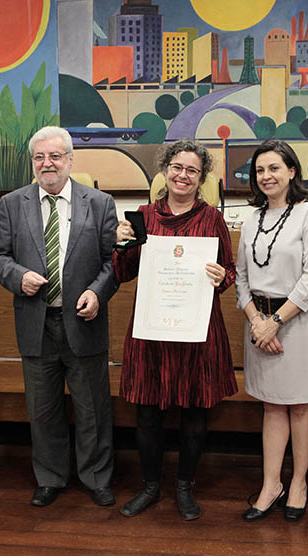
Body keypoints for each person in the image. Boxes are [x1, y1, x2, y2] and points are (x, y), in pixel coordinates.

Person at [0, 126, 118, 508]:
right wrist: (18, 277)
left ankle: (96, 477)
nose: (47, 164)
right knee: (43, 410)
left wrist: (97, 293)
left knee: (92, 408)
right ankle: (50, 477)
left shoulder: (100, 203)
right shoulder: (12, 204)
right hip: (36, 322)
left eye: (55, 156)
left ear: (70, 160)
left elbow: (112, 261)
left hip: (84, 321)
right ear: (32, 162)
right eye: (39, 157)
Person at [114, 139, 237, 521]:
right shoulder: (142, 216)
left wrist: (221, 276)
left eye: (192, 171)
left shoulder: (212, 218)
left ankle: (185, 486)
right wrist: (120, 245)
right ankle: (150, 486)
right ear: (165, 170)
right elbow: (123, 272)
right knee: (147, 412)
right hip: (151, 330)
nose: (183, 175)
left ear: (201, 178)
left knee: (194, 412)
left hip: (197, 331)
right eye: (177, 168)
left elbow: (230, 273)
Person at [235, 140, 308, 523]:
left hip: (298, 322)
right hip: (258, 322)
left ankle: (299, 484)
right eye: (260, 170)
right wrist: (257, 321)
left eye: (274, 168)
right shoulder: (250, 220)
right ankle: (271, 484)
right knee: (272, 404)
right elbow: (241, 278)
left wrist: (275, 322)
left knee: (300, 404)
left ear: (292, 171)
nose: (266, 176)